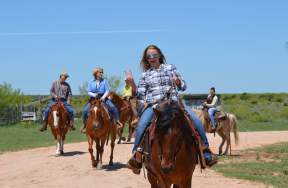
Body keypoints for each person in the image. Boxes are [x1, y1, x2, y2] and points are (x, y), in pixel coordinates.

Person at [126, 45, 217, 173]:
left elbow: (184, 86)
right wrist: (132, 84)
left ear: (159, 56)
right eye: (149, 56)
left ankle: (206, 151)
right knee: (142, 124)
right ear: (146, 59)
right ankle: (137, 155)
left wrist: (178, 82)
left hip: (175, 104)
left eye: (154, 55)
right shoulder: (145, 75)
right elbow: (140, 96)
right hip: (155, 106)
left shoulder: (170, 68)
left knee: (195, 119)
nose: (152, 58)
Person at [80, 68, 123, 133]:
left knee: (113, 107)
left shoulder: (104, 81)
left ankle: (117, 122)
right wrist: (94, 95)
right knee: (85, 110)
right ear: (96, 73)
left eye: (102, 72)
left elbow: (107, 91)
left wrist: (103, 97)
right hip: (93, 99)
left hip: (103, 98)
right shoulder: (91, 81)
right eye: (100, 72)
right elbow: (88, 91)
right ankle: (84, 125)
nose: (101, 73)